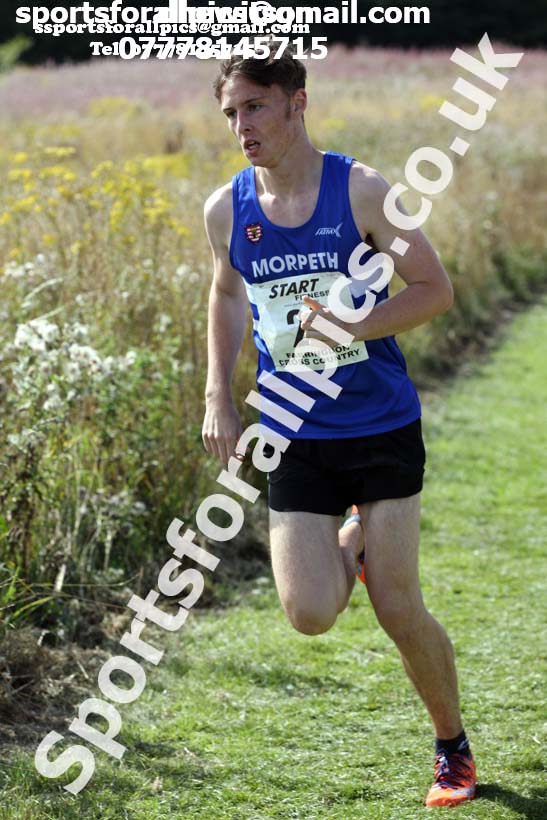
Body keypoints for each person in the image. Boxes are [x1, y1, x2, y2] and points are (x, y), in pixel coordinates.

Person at [201, 45, 476, 808]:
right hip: (291, 428)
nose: (241, 126)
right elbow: (224, 297)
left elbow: (432, 290)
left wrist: (351, 328)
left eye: (254, 106)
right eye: (230, 113)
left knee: (395, 603)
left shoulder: (360, 191)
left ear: (297, 102)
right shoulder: (227, 208)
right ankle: (351, 538)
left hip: (378, 420)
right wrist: (216, 396)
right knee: (310, 613)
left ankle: (450, 746)